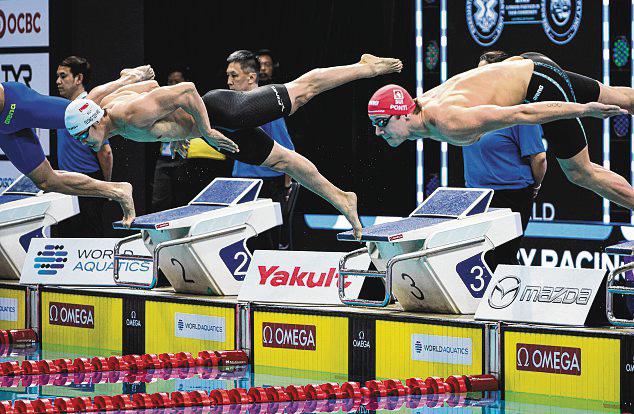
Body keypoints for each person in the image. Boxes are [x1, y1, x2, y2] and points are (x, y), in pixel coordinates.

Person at [64, 54, 403, 239]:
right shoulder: (97, 103)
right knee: (285, 161)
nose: (83, 145)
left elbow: (186, 91)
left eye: (82, 137)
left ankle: (364, 66)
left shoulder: (128, 115)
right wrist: (179, 133)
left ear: (95, 122)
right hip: (211, 128)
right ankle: (344, 199)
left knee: (302, 91)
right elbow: (147, 82)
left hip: (222, 111)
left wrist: (206, 132)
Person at [368, 52, 634, 213]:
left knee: (579, 172)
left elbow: (522, 114)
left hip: (537, 86)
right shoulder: (416, 114)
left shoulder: (449, 120)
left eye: (382, 123)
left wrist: (583, 110)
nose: (378, 133)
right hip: (527, 65)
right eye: (374, 124)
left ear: (403, 113)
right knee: (621, 97)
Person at [0, 65, 155, 227]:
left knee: (82, 112)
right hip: (3, 127)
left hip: (15, 104)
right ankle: (118, 191)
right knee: (45, 181)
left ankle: (130, 78)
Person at [463, 51, 547, 267]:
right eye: (477, 73)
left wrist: (535, 187)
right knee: (482, 258)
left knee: (501, 258)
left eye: (487, 74)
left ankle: (511, 300)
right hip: (476, 198)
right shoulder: (467, 108)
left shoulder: (518, 111)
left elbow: (539, 159)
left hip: (511, 197)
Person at [226, 50, 294, 250]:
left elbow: (288, 152)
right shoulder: (229, 105)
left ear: (251, 77)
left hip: (267, 186)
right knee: (242, 243)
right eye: (228, 76)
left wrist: (286, 188)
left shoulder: (267, 106)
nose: (229, 81)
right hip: (239, 183)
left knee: (266, 246)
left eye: (234, 75)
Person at [55, 56, 113, 237]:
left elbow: (106, 151)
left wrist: (107, 185)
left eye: (63, 76)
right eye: (57, 76)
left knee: (89, 239)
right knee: (66, 241)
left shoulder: (88, 108)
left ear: (78, 79)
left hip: (88, 184)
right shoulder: (64, 107)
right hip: (65, 184)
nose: (58, 81)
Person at [151, 69, 189, 212]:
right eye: (170, 82)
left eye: (177, 82)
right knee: (159, 202)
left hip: (184, 158)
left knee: (181, 201)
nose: (173, 85)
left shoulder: (191, 105)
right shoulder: (160, 106)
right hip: (164, 159)